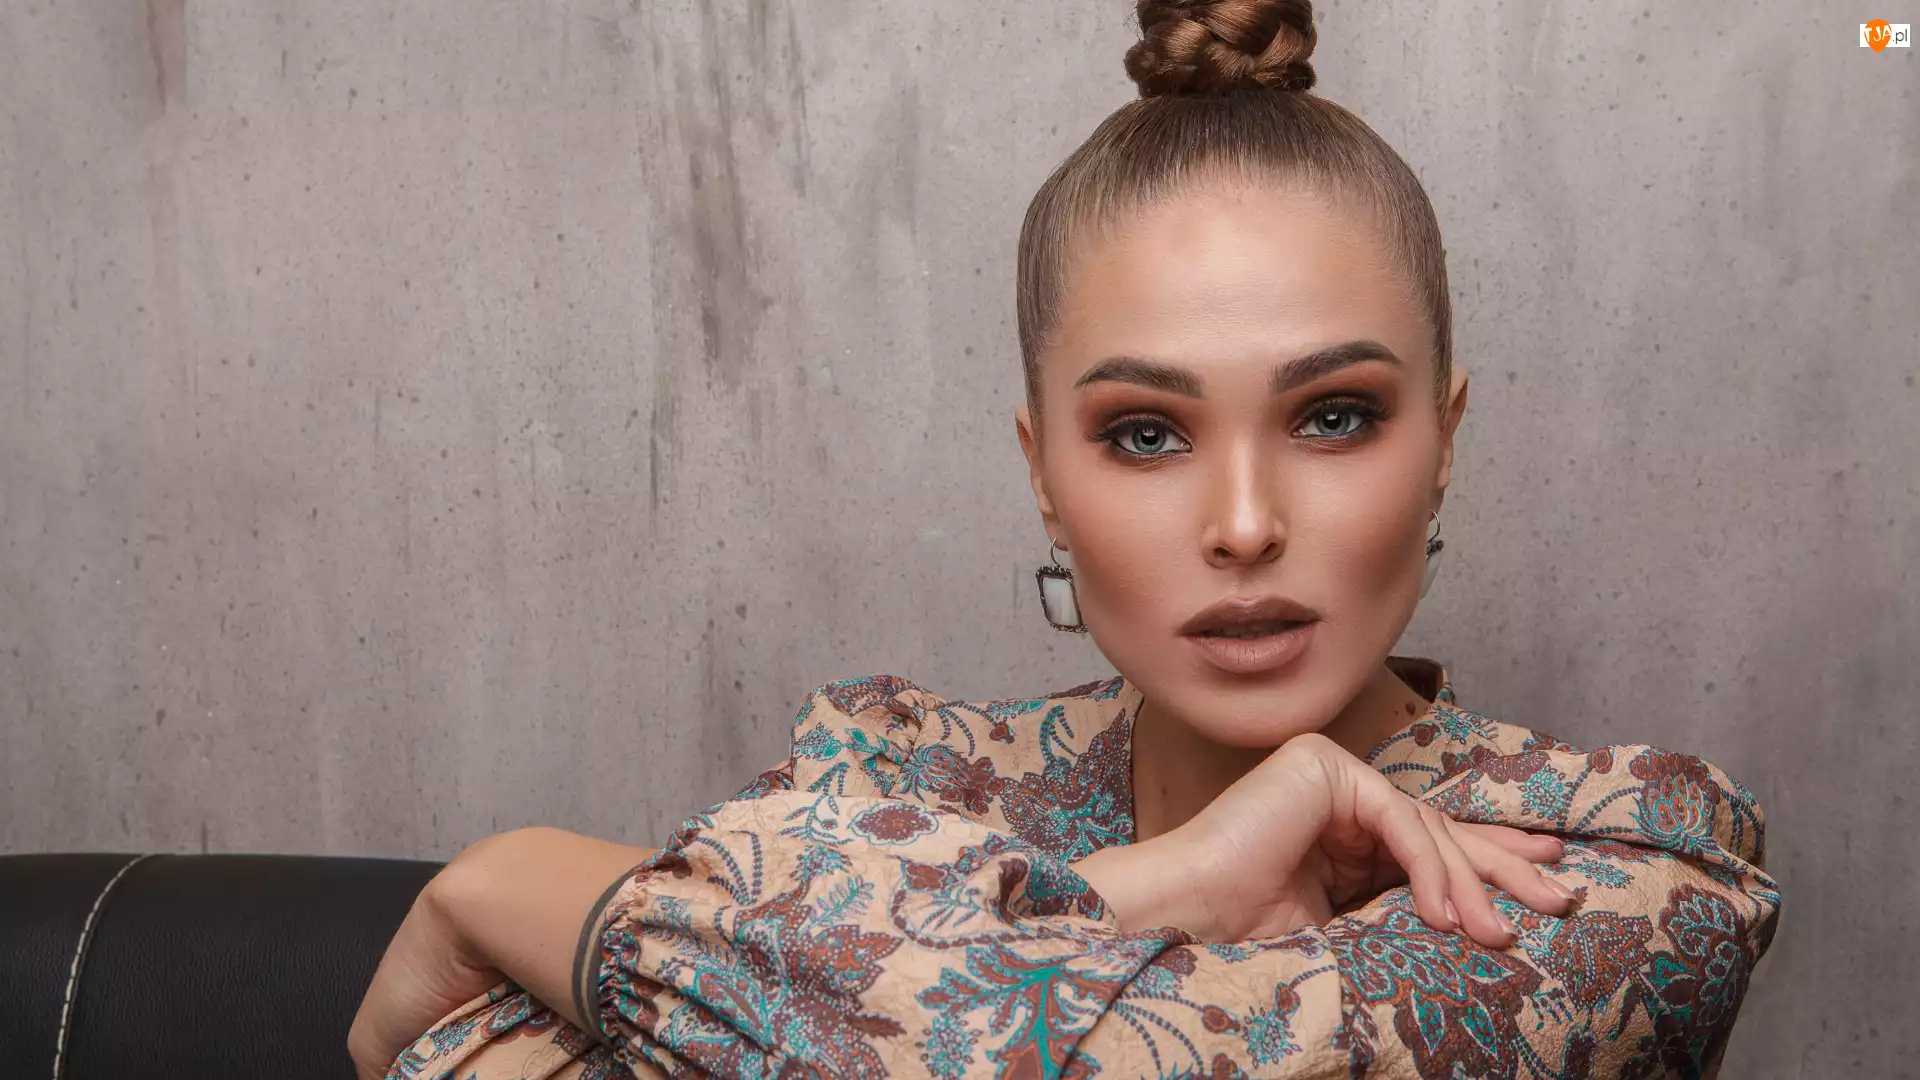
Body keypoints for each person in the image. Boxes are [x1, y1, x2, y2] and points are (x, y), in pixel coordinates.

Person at [349, 2, 1781, 1076]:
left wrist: (507, 884)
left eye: (1334, 417)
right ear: (1044, 476)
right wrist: (1156, 885)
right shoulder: (897, 765)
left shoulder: (1618, 862)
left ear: (1444, 442)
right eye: (1147, 434)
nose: (1243, 525)